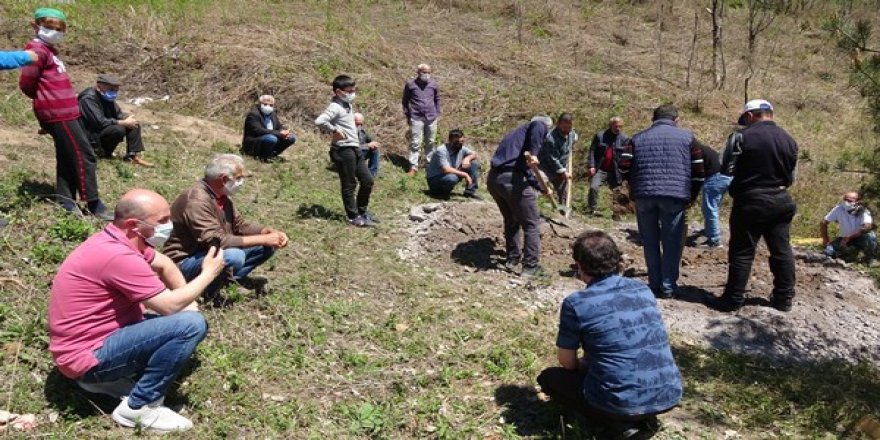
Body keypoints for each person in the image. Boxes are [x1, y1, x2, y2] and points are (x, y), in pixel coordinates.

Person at [48, 188, 226, 432]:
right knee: (190, 326)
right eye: (162, 221)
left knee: (184, 318)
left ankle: (103, 382)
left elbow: (164, 264)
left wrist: (190, 304)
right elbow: (168, 305)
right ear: (133, 224)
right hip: (88, 357)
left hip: (84, 350)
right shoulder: (118, 256)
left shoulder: (118, 240)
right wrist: (208, 274)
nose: (169, 226)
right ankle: (140, 406)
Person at [537, 230, 682, 438]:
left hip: (618, 402)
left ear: (579, 266)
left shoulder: (576, 303)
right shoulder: (642, 289)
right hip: (668, 393)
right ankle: (644, 417)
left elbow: (567, 362)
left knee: (549, 378)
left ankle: (618, 425)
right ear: (617, 261)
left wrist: (584, 365)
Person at [19, 8, 112, 220]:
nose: (54, 32)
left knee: (67, 155)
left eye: (59, 29)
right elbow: (26, 83)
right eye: (49, 27)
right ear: (35, 26)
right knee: (85, 155)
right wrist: (46, 101)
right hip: (58, 112)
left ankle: (65, 200)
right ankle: (93, 203)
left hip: (67, 111)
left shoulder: (50, 51)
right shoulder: (36, 50)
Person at [708, 99, 798, 313]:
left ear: (750, 116)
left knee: (742, 251)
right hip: (781, 198)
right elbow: (792, 177)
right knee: (782, 250)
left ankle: (733, 299)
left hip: (751, 199)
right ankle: (784, 298)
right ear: (770, 114)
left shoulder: (741, 137)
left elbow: (725, 167)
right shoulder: (789, 140)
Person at [164, 154, 288, 298]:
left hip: (207, 253)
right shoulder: (196, 200)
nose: (241, 182)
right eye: (238, 178)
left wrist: (266, 232)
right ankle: (207, 291)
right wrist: (264, 239)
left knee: (265, 246)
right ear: (223, 179)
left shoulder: (220, 197)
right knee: (234, 255)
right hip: (185, 262)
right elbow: (220, 241)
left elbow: (240, 225)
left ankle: (228, 281)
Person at [618, 104, 705, 299]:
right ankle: (668, 287)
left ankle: (654, 284)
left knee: (649, 241)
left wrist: (634, 182)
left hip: (644, 195)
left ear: (653, 119)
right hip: (674, 196)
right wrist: (692, 194)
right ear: (677, 120)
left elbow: (623, 166)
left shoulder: (637, 138)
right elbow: (699, 172)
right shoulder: (688, 138)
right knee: (672, 242)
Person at [487, 115, 553, 277]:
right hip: (511, 180)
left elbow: (523, 169)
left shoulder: (514, 136)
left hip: (495, 179)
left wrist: (540, 187)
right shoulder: (538, 124)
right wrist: (535, 153)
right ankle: (531, 267)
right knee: (532, 224)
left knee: (512, 220)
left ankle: (512, 259)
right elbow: (538, 126)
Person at [315, 75, 378, 227]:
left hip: (354, 147)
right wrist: (334, 129)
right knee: (349, 183)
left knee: (367, 180)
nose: (352, 93)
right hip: (343, 150)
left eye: (353, 90)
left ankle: (362, 211)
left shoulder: (346, 105)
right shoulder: (335, 106)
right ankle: (353, 216)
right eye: (349, 91)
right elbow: (319, 121)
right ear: (338, 92)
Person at [78, 74, 153, 167]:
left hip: (104, 128)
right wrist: (122, 122)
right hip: (91, 134)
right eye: (111, 90)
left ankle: (132, 156)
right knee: (118, 129)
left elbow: (118, 114)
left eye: (115, 91)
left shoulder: (106, 98)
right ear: (98, 87)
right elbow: (99, 122)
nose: (113, 93)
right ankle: (100, 153)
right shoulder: (88, 98)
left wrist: (126, 119)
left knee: (133, 123)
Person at [401, 63, 441, 176]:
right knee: (415, 142)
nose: (426, 75)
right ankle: (413, 167)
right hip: (416, 117)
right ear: (418, 72)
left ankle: (430, 166)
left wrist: (437, 113)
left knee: (431, 142)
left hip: (431, 117)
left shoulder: (433, 84)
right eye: (424, 72)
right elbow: (405, 101)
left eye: (429, 72)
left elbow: (437, 99)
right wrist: (408, 115)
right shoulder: (410, 84)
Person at [587, 117, 629, 216]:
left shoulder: (625, 139)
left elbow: (627, 157)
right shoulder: (600, 136)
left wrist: (625, 171)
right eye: (615, 126)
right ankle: (591, 210)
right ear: (610, 125)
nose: (618, 128)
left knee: (617, 192)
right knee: (594, 187)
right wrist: (591, 165)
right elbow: (592, 151)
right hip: (600, 169)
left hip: (615, 171)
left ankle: (617, 213)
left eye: (620, 126)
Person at [820, 191, 876, 264]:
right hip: (843, 238)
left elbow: (867, 227)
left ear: (857, 202)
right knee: (828, 252)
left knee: (870, 237)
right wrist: (826, 240)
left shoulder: (864, 211)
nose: (846, 202)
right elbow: (823, 222)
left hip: (860, 237)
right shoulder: (839, 209)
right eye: (845, 200)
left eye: (850, 201)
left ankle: (870, 258)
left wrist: (849, 237)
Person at [426, 129, 481, 200]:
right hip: (435, 179)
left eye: (461, 142)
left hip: (450, 175)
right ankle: (440, 194)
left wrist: (467, 158)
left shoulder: (461, 148)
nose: (459, 144)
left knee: (473, 164)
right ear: (450, 140)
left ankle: (470, 192)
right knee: (452, 178)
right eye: (456, 142)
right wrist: (465, 174)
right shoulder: (441, 150)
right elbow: (446, 169)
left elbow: (474, 154)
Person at [241, 95, 296, 162]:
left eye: (271, 105)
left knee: (291, 137)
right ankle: (263, 157)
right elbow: (259, 131)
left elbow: (278, 127)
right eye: (265, 104)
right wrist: (279, 133)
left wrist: (284, 132)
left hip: (271, 138)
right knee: (271, 138)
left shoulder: (272, 114)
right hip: (254, 142)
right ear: (260, 104)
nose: (268, 107)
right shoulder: (253, 114)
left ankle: (273, 154)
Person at [539, 113, 577, 209]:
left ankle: (564, 213)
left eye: (569, 127)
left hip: (562, 166)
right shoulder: (550, 138)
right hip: (546, 167)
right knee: (538, 184)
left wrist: (563, 170)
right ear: (558, 124)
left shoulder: (571, 134)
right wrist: (562, 171)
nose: (567, 130)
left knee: (564, 192)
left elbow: (574, 138)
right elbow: (552, 158)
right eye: (564, 127)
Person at [699, 142, 731, 248]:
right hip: (724, 176)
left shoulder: (693, 150)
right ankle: (710, 231)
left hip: (715, 178)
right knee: (712, 208)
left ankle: (714, 241)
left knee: (710, 209)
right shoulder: (701, 147)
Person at [355, 112, 381, 178]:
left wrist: (374, 143)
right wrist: (367, 145)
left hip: (360, 153)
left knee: (375, 149)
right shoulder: (348, 132)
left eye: (361, 124)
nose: (359, 126)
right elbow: (351, 147)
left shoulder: (362, 131)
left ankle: (372, 174)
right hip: (350, 155)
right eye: (357, 124)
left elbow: (370, 139)